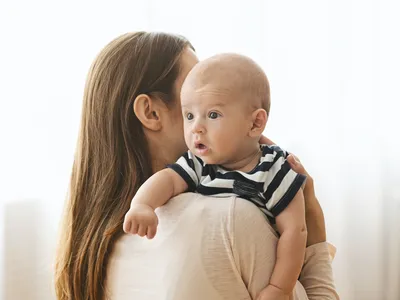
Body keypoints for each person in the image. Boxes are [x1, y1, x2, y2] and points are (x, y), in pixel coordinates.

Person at [54, 31, 339, 300]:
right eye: (191, 93)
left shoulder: (93, 246)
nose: (207, 89)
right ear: (151, 112)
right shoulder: (232, 218)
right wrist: (314, 227)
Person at [123, 53, 307, 299]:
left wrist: (279, 287)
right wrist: (143, 204)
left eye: (212, 115)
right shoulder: (200, 163)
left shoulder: (273, 168)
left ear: (255, 124)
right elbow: (167, 180)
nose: (196, 127)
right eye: (189, 115)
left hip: (277, 274)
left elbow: (295, 231)